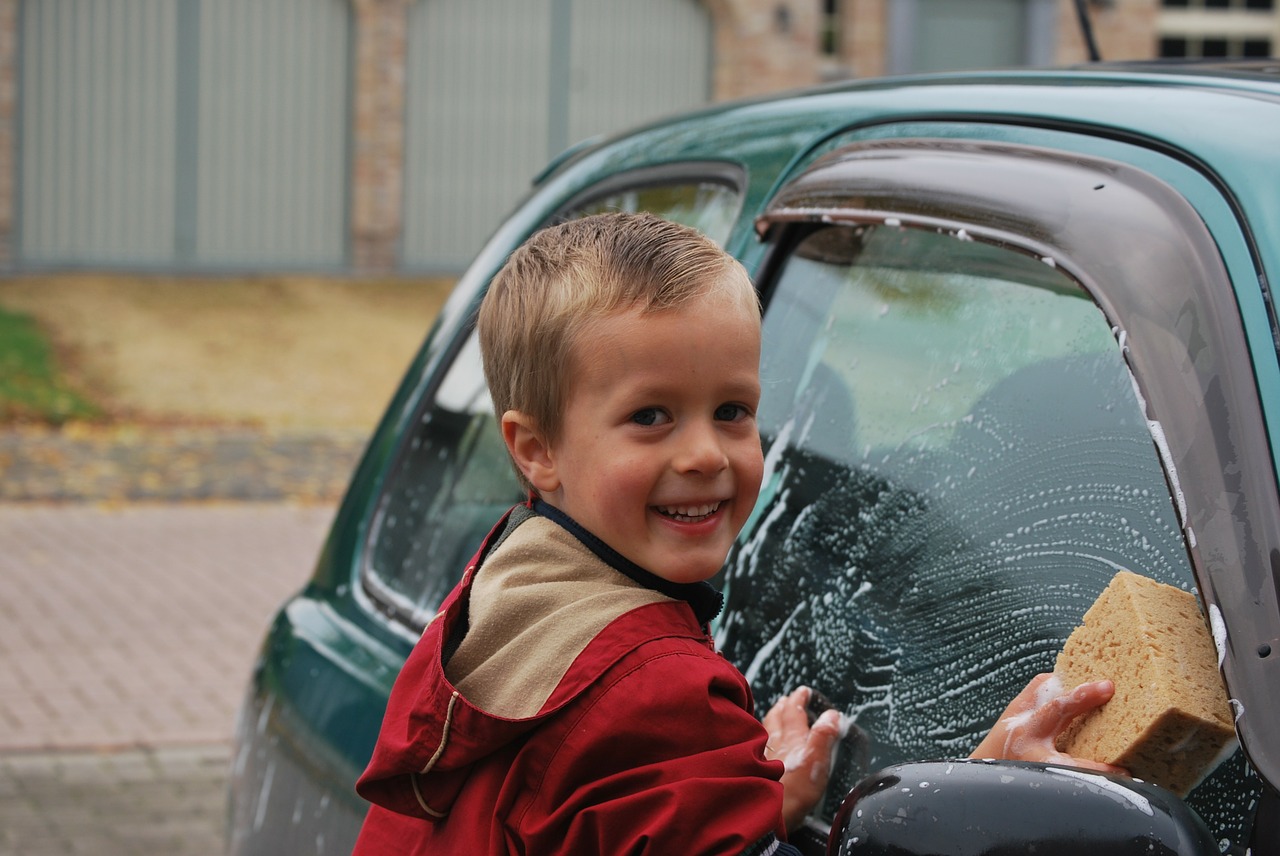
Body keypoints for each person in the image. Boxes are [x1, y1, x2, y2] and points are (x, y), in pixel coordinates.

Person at [352, 212, 1118, 855]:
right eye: (650, 416)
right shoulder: (659, 700)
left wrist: (732, 813)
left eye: (733, 412)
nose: (704, 454)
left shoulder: (503, 596)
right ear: (536, 450)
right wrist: (983, 793)